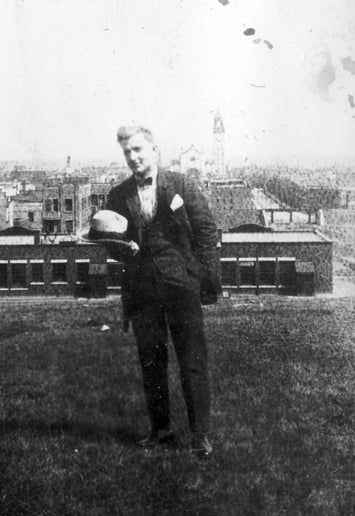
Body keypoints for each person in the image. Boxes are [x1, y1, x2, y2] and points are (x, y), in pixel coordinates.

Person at [106, 125, 221, 457]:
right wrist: (121, 249)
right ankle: (161, 430)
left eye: (139, 149)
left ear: (155, 150)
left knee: (192, 360)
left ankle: (200, 435)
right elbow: (111, 242)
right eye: (128, 152)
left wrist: (200, 277)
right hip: (142, 290)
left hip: (182, 288)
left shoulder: (182, 185)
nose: (133, 157)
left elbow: (205, 231)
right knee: (152, 362)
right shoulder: (118, 194)